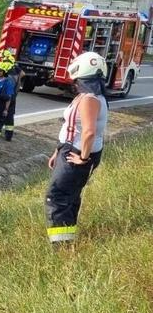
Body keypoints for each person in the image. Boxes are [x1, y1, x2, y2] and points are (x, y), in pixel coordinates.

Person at [45, 52, 109, 245]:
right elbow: (73, 127)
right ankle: (67, 240)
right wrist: (58, 150)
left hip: (77, 153)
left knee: (57, 197)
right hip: (70, 149)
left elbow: (88, 132)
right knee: (69, 196)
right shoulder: (88, 96)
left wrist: (83, 157)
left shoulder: (89, 99)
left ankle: (61, 246)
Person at [1, 48, 22, 141]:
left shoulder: (8, 74)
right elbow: (23, 74)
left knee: (2, 113)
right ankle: (8, 135)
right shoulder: (16, 70)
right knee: (10, 116)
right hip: (13, 96)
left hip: (6, 96)